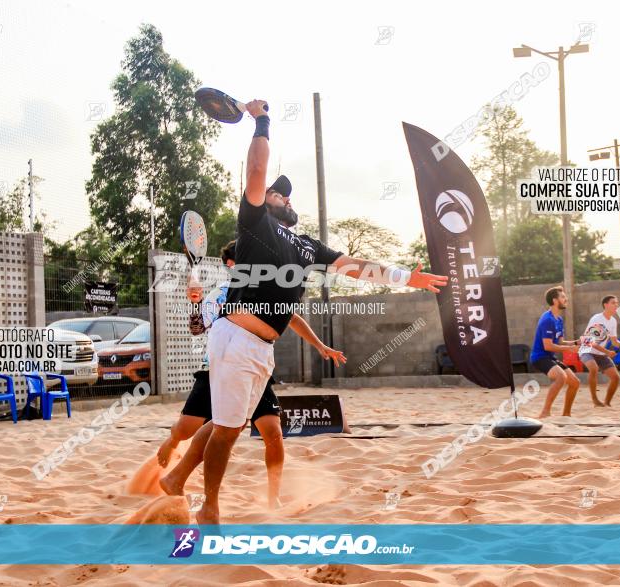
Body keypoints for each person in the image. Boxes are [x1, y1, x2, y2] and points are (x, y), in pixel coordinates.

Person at [187, 99, 448, 524]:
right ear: (264, 200)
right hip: (235, 337)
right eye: (277, 191)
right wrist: (261, 121)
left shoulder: (307, 244)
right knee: (228, 430)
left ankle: (177, 481)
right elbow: (256, 171)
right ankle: (209, 509)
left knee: (226, 426)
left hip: (262, 347)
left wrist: (406, 278)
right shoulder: (254, 223)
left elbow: (355, 267)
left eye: (288, 193)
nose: (284, 196)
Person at [157, 240, 345, 509]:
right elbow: (197, 328)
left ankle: (273, 496)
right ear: (232, 265)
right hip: (219, 367)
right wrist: (195, 303)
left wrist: (320, 345)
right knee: (188, 428)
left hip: (255, 367)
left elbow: (292, 318)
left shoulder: (268, 289)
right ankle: (174, 443)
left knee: (272, 431)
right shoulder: (221, 294)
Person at [530, 286, 581, 418]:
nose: (566, 299)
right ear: (555, 300)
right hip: (539, 358)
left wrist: (576, 342)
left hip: (549, 357)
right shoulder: (547, 320)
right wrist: (570, 349)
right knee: (561, 377)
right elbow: (548, 346)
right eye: (563, 297)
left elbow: (560, 342)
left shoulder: (558, 319)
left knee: (575, 382)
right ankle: (545, 412)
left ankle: (566, 415)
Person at [578, 295, 620, 407]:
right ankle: (595, 400)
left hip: (600, 353)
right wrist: (607, 352)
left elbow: (614, 341)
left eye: (617, 303)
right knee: (593, 368)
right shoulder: (596, 319)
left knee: (616, 378)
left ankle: (607, 402)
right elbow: (590, 341)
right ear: (605, 305)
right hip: (586, 349)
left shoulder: (613, 321)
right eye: (613, 303)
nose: (616, 305)